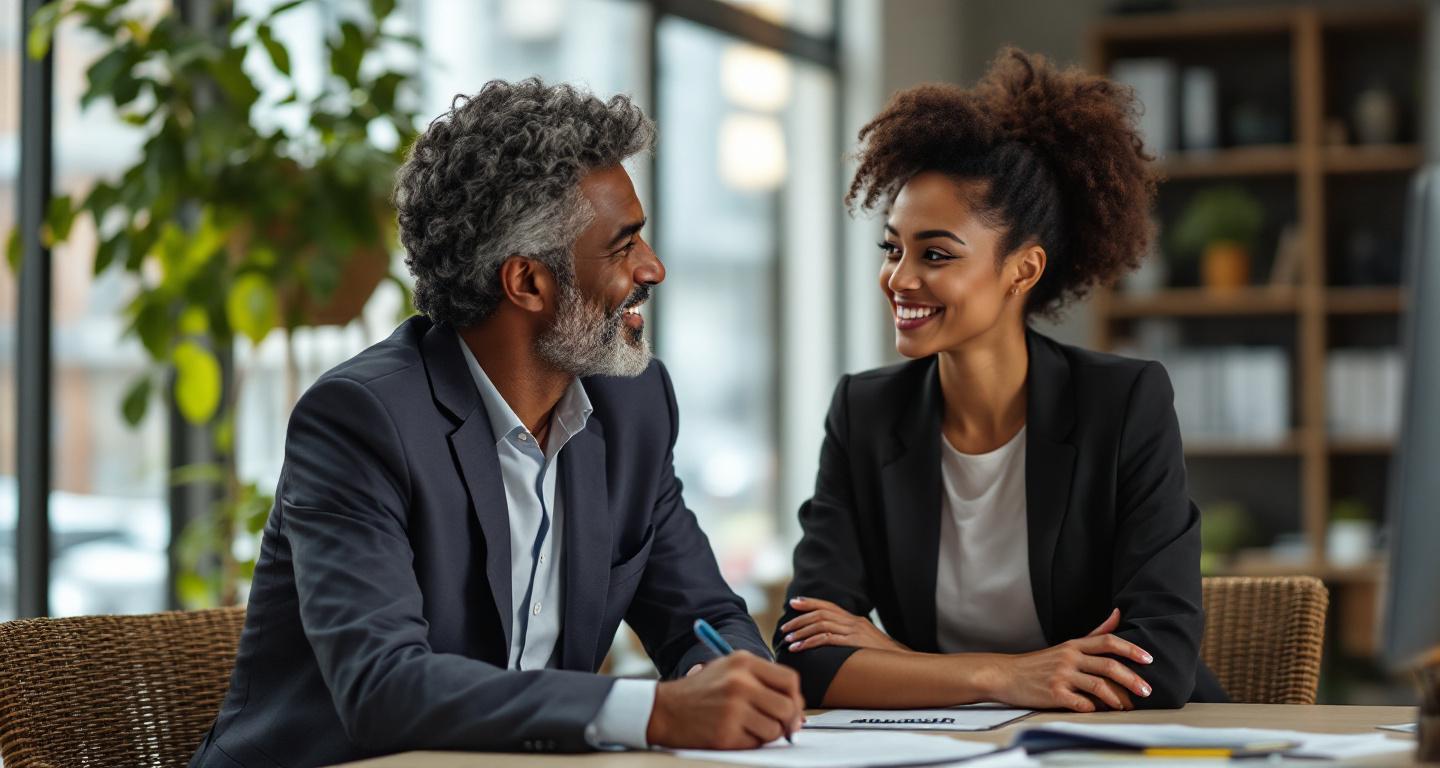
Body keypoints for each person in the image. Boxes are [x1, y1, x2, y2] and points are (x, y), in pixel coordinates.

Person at [190, 79, 803, 768]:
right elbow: (382, 687)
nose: (652, 268)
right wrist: (654, 711)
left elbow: (705, 620)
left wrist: (743, 685)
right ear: (527, 283)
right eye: (624, 246)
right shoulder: (362, 421)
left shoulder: (633, 407)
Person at [774, 49, 1227, 713]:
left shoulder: (1124, 404)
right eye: (892, 249)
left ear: (1023, 269)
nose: (899, 279)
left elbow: (1154, 666)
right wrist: (1000, 678)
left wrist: (897, 661)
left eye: (935, 254)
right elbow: (807, 655)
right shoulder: (864, 413)